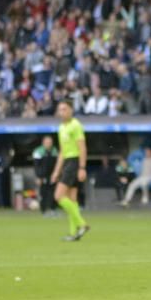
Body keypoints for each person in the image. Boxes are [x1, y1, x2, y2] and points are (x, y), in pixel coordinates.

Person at [50, 102, 90, 241]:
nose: (62, 112)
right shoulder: (61, 128)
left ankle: (82, 224)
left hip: (74, 162)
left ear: (71, 110)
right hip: (67, 162)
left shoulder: (76, 125)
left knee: (58, 196)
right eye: (60, 109)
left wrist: (82, 167)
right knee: (72, 199)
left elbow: (82, 148)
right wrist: (56, 171)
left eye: (65, 109)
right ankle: (74, 233)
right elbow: (61, 152)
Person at [33, 136, 58, 215]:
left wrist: (56, 175)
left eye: (50, 142)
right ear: (43, 143)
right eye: (47, 142)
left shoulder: (54, 151)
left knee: (53, 193)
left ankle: (53, 209)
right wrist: (38, 177)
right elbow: (37, 166)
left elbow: (57, 164)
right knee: (43, 193)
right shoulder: (38, 151)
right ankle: (44, 210)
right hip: (42, 176)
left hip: (53, 176)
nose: (49, 144)